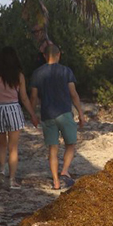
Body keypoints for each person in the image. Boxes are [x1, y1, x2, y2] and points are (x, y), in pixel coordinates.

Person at [30, 42, 86, 190]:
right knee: (71, 144)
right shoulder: (66, 71)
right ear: (58, 55)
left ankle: (55, 181)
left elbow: (34, 97)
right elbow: (73, 94)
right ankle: (65, 171)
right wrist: (80, 112)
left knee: (52, 149)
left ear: (44, 56)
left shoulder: (37, 73)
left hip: (47, 114)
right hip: (64, 113)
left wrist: (32, 114)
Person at [0, 47, 39, 189]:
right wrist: (32, 114)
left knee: (1, 145)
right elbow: (24, 98)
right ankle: (12, 180)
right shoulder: (19, 76)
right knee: (13, 148)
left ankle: (1, 170)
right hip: (13, 109)